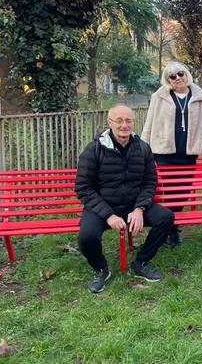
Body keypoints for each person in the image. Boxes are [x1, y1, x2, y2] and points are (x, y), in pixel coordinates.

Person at [76, 104, 174, 293]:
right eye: (119, 120)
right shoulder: (94, 149)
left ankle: (141, 262)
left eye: (128, 120)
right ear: (109, 122)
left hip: (133, 205)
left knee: (166, 217)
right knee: (86, 236)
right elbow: (83, 188)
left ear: (133, 122)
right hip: (103, 207)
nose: (124, 125)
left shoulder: (143, 148)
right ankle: (100, 269)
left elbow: (149, 183)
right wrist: (108, 215)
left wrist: (139, 209)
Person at [141, 61, 202, 247]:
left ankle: (169, 226)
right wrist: (142, 150)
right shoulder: (159, 96)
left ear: (187, 74)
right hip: (164, 153)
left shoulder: (200, 97)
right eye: (172, 76)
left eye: (180, 74)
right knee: (169, 194)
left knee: (182, 194)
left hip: (188, 154)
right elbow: (149, 124)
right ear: (167, 80)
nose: (177, 79)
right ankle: (170, 230)